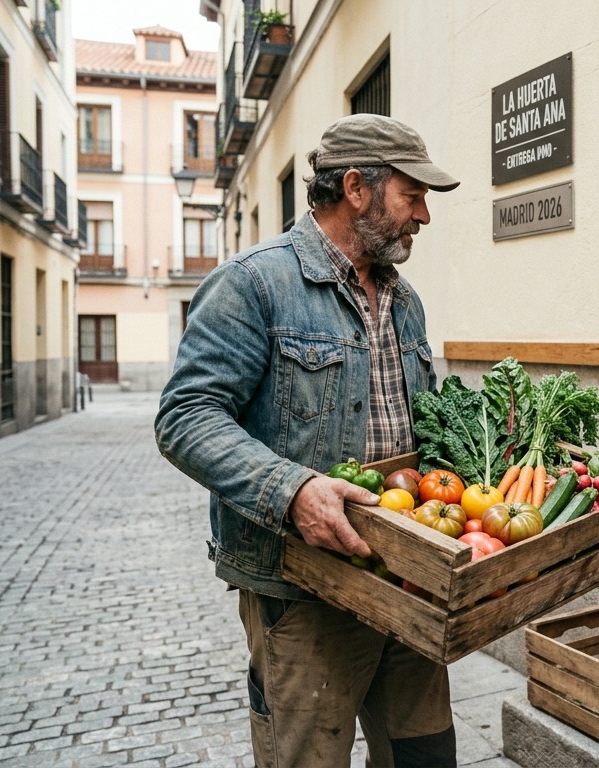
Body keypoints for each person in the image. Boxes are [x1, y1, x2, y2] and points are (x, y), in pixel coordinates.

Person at [155, 114, 460, 768]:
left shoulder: (403, 300)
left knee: (425, 755)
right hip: (304, 591)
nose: (424, 216)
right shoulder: (254, 285)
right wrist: (292, 491)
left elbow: (418, 422)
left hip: (407, 582)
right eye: (413, 195)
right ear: (356, 187)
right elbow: (185, 415)